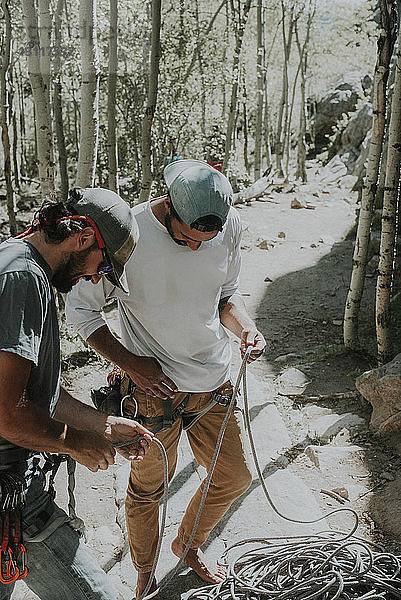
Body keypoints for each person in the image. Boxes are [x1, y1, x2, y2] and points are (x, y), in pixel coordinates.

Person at [65, 160, 266, 598]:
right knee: (148, 489)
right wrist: (131, 362)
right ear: (168, 206)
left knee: (233, 477)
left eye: (205, 242)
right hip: (151, 394)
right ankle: (143, 570)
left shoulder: (230, 228)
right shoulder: (127, 235)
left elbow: (225, 298)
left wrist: (246, 329)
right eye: (188, 239)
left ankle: (187, 544)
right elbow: (81, 311)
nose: (196, 249)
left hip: (213, 383)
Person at [0, 187, 154, 600]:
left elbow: (39, 395)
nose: (93, 276)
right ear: (83, 238)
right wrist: (77, 445)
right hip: (12, 499)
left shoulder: (19, 263)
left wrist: (103, 425)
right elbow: (9, 415)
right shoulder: (21, 279)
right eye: (101, 265)